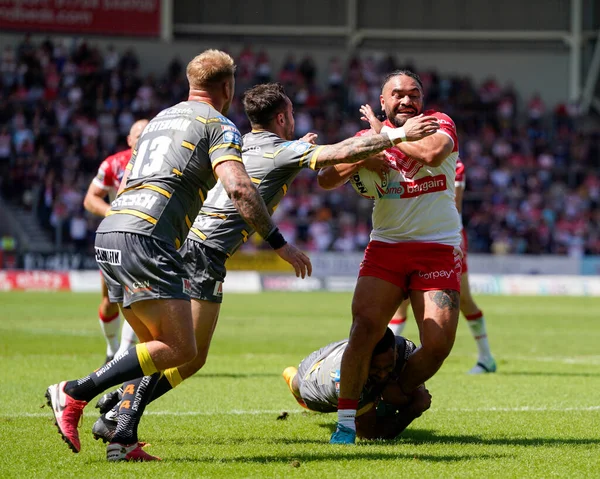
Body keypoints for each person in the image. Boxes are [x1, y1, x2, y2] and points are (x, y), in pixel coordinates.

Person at [88, 81, 440, 449]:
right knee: (185, 354)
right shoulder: (283, 150)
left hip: (187, 244)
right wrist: (399, 134)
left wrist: (297, 146)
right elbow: (339, 152)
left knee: (181, 350)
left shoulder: (240, 142)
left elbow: (271, 163)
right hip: (204, 252)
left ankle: (116, 407)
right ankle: (106, 406)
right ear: (283, 116)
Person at [45, 50, 312, 462]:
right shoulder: (219, 124)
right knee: (181, 350)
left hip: (112, 231)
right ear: (227, 88)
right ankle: (74, 393)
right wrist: (280, 244)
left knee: (152, 347)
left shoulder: (160, 119)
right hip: (148, 237)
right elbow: (239, 189)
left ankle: (123, 439)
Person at [318, 70, 462, 444]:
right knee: (363, 330)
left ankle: (390, 393)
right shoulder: (369, 139)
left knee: (438, 345)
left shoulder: (438, 123)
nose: (406, 99)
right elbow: (327, 177)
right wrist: (365, 156)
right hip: (387, 247)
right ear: (383, 102)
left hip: (437, 248)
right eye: (396, 94)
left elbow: (431, 154)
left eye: (413, 93)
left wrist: (385, 134)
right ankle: (346, 424)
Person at [389, 159, 497, 374]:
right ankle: (388, 362)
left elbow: (453, 206)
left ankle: (486, 358)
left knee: (464, 299)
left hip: (446, 237)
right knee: (401, 300)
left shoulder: (454, 164)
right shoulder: (402, 158)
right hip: (410, 236)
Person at [283, 328, 431, 440]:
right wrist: (412, 410)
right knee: (299, 387)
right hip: (313, 384)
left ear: (396, 353)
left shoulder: (404, 348)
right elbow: (371, 434)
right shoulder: (348, 382)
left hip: (338, 349)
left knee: (400, 394)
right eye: (376, 368)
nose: (382, 374)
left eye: (388, 367)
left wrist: (411, 392)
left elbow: (417, 389)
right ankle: (291, 378)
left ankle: (379, 399)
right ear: (363, 361)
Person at [83, 119, 148, 364]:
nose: (143, 138)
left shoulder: (166, 162)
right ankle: (112, 350)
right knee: (111, 300)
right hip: (117, 238)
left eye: (147, 134)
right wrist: (113, 213)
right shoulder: (113, 164)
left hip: (147, 238)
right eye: (138, 135)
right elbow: (90, 199)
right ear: (129, 140)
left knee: (139, 294)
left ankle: (123, 355)